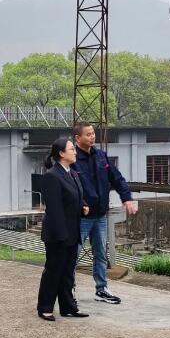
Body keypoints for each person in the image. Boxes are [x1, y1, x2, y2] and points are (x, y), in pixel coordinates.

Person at [72, 122, 137, 304]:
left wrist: (126, 198)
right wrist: (82, 205)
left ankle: (101, 289)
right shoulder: (73, 160)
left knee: (100, 254)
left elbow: (117, 178)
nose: (92, 137)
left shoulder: (101, 156)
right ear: (78, 138)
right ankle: (68, 289)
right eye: (88, 134)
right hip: (81, 218)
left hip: (100, 216)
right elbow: (69, 188)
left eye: (93, 133)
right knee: (72, 255)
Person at [37, 138, 89, 322]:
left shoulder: (72, 173)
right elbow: (54, 208)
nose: (75, 152)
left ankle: (68, 307)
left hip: (72, 231)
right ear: (61, 153)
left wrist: (83, 206)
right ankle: (45, 307)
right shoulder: (52, 175)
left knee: (68, 272)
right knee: (54, 271)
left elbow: (75, 197)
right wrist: (61, 235)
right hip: (57, 233)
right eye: (71, 149)